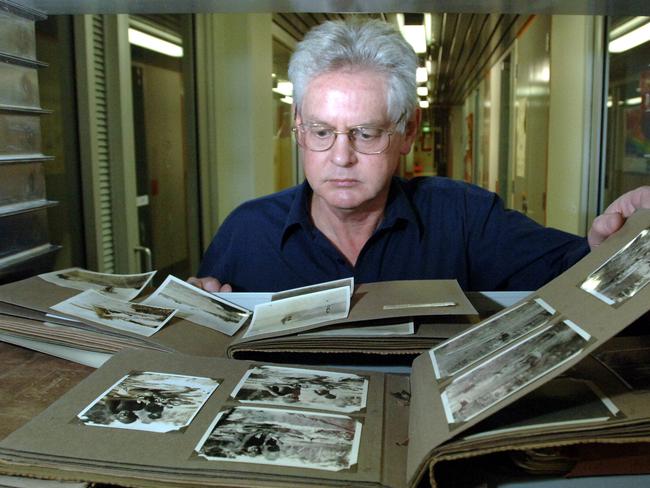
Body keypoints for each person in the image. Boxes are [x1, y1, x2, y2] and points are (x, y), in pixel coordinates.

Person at [190, 19, 650, 293]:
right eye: (321, 131)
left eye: (366, 133)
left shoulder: (466, 217)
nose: (341, 156)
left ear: (408, 130)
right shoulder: (246, 232)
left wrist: (613, 243)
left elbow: (571, 272)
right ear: (296, 124)